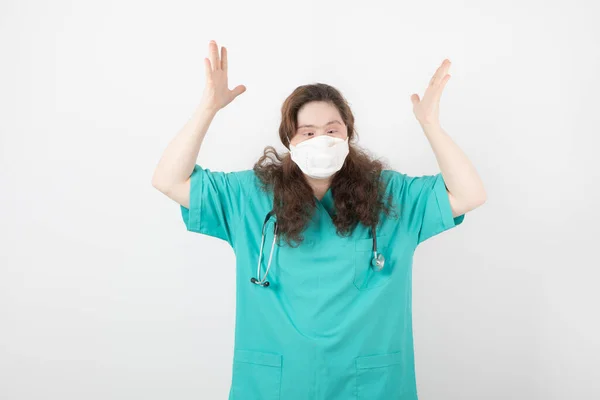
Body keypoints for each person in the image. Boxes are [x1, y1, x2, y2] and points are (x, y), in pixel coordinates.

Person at [152, 40, 486, 400]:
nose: (321, 140)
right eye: (307, 132)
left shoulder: (390, 196)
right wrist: (208, 108)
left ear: (348, 134)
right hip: (277, 385)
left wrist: (430, 124)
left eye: (332, 129)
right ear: (290, 141)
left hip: (369, 385)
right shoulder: (251, 196)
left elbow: (470, 194)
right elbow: (168, 180)